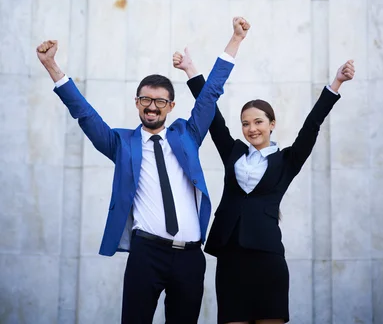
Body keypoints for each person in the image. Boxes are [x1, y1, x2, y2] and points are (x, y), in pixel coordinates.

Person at [36, 16, 250, 324]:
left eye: (160, 101)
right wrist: (51, 66)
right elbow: (84, 113)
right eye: (145, 100)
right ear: (137, 103)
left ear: (171, 106)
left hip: (190, 256)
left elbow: (211, 92)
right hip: (146, 254)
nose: (152, 106)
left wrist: (236, 39)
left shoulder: (187, 135)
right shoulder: (121, 144)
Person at [173, 48, 355, 324]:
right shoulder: (233, 151)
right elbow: (212, 116)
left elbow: (312, 123)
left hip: (267, 259)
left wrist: (336, 83)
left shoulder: (288, 160)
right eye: (246, 124)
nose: (251, 129)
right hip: (230, 257)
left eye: (258, 122)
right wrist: (190, 71)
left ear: (272, 124)